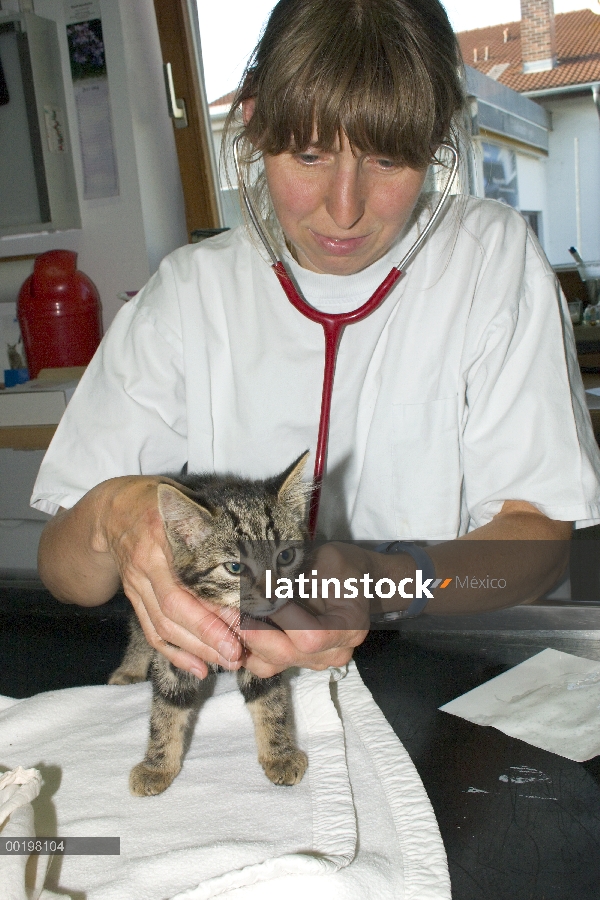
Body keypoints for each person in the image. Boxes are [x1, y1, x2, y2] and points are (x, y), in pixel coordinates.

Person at [33, 0, 600, 682]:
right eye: (308, 154)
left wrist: (389, 580)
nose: (345, 208)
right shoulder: (189, 295)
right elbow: (67, 575)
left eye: (389, 160)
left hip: (436, 677)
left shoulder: (490, 260)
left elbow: (536, 545)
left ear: (434, 145)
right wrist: (112, 515)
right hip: (234, 698)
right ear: (253, 125)